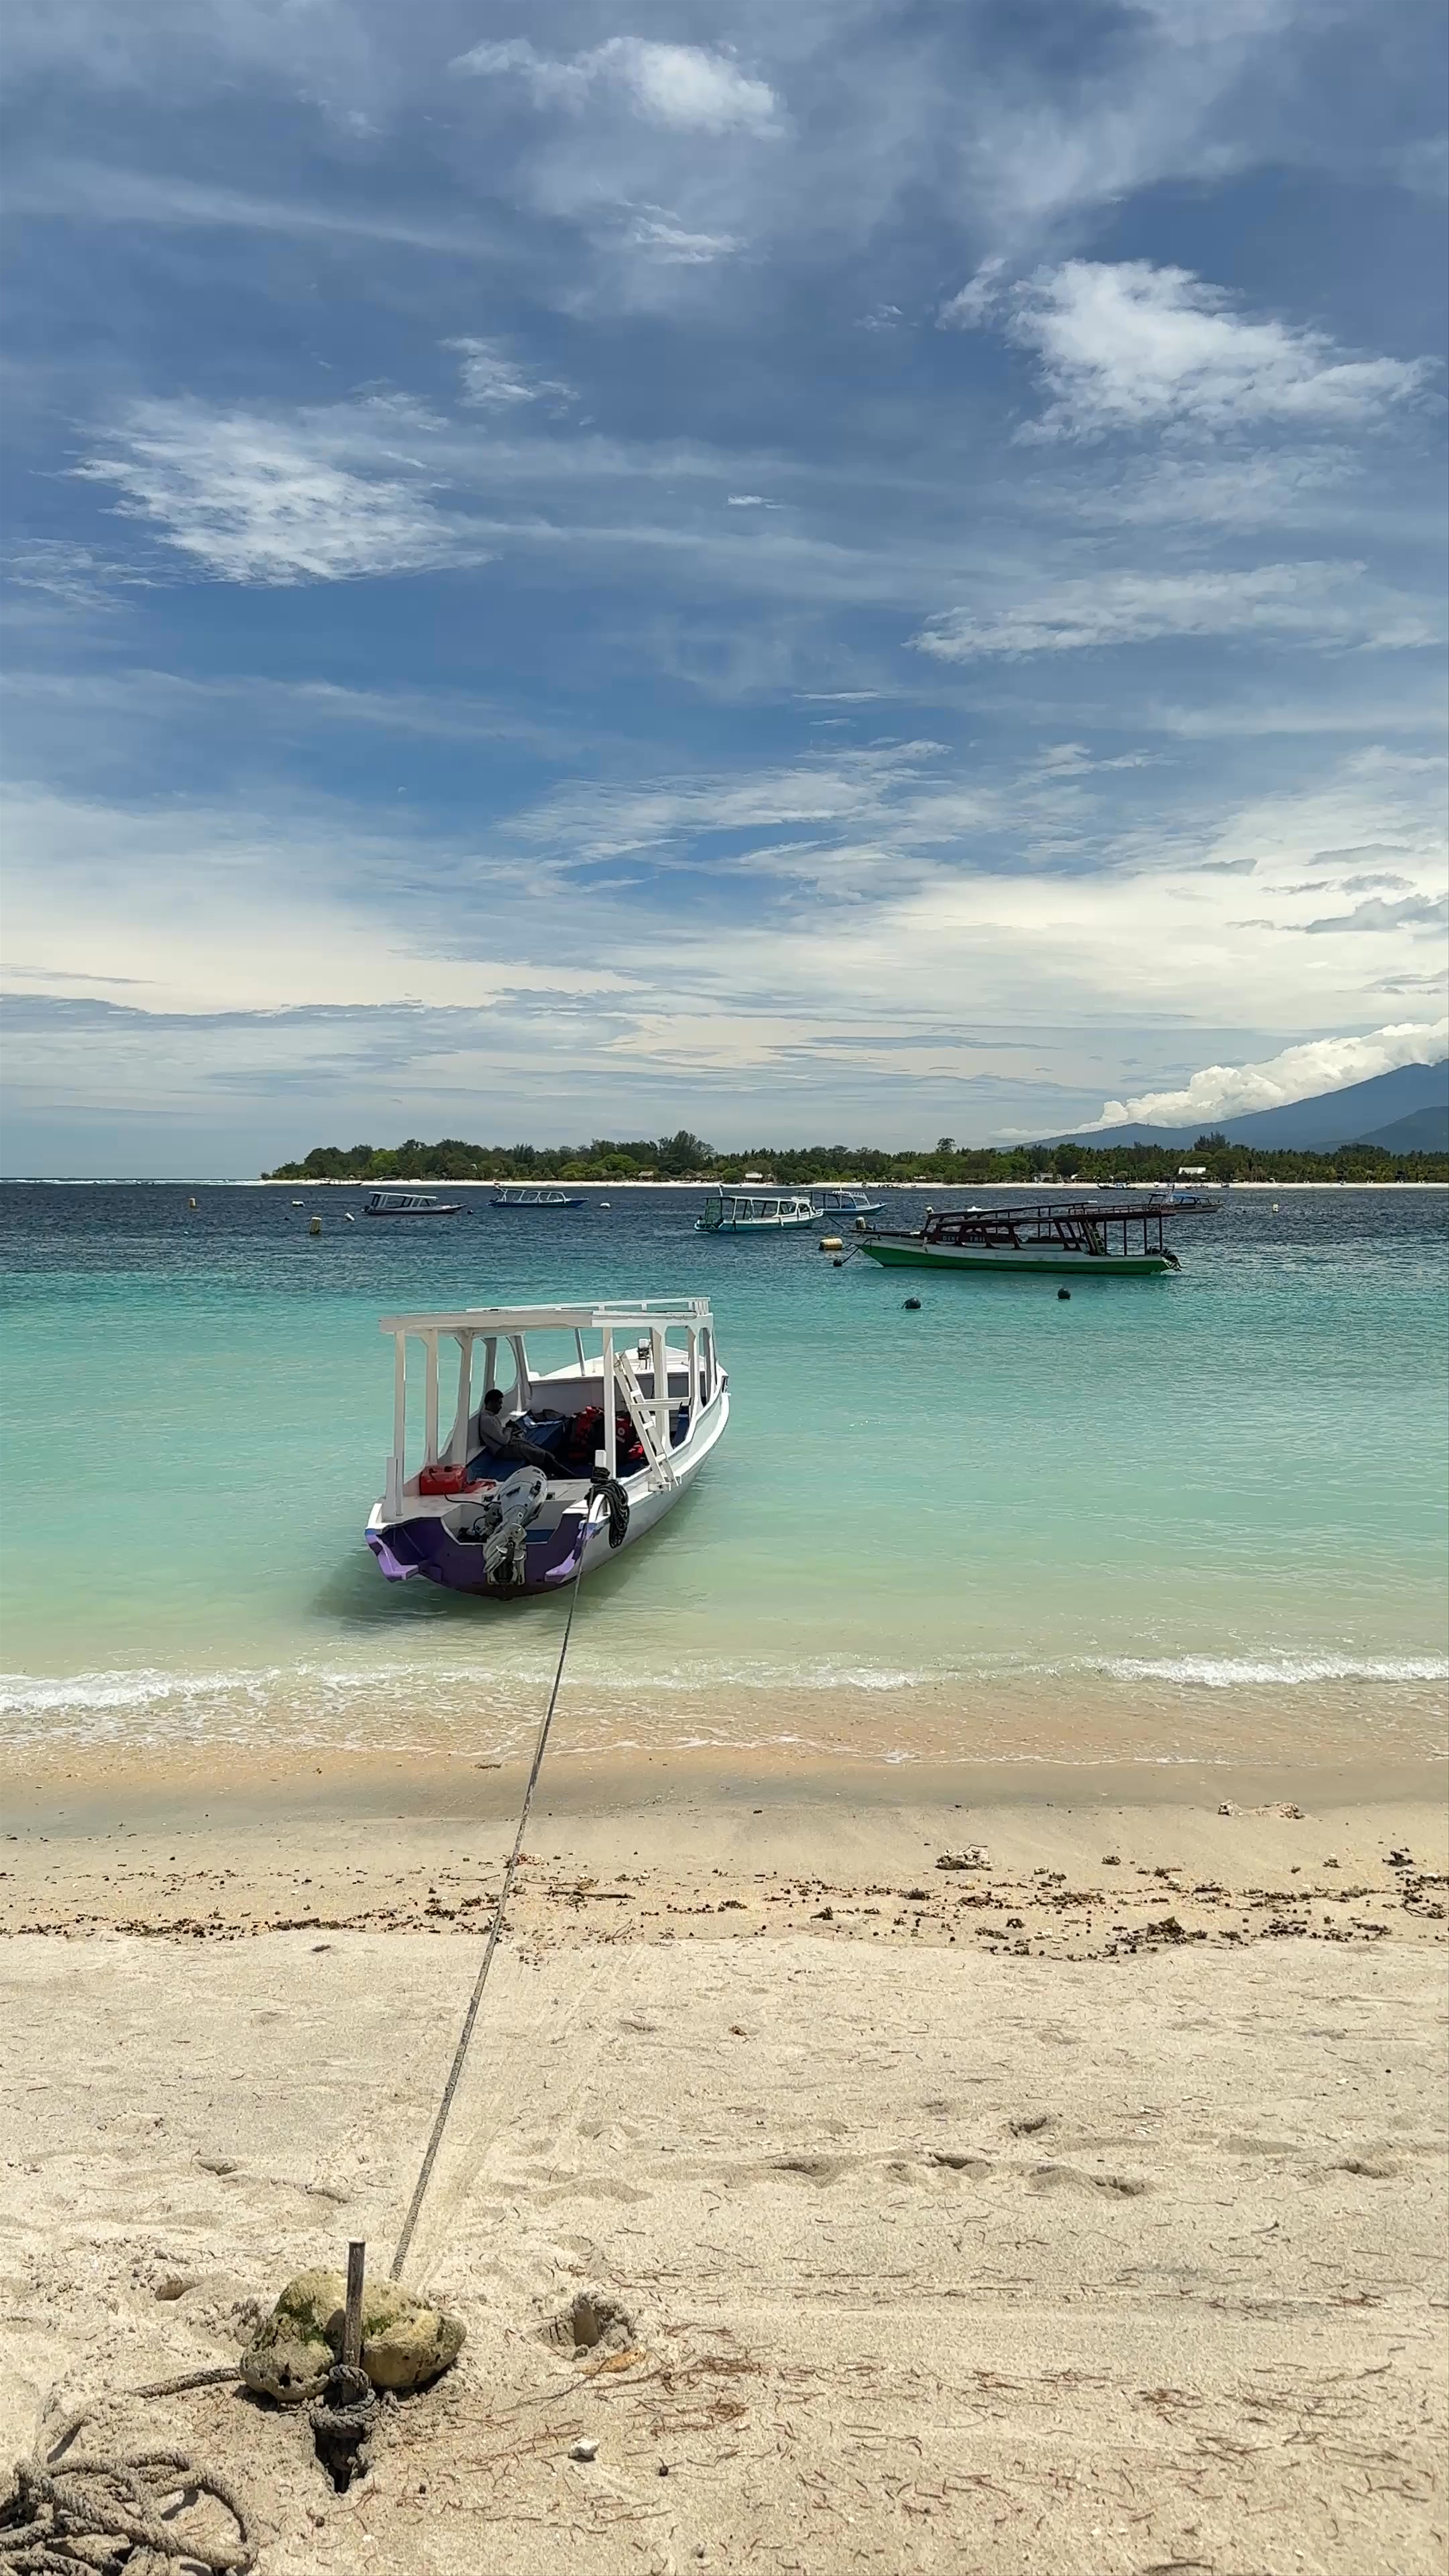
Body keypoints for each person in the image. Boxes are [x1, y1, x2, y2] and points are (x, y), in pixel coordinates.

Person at [472, 1386, 558, 1475]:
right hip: (502, 1450)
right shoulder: (487, 1420)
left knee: (541, 1452)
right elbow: (504, 1440)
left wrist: (511, 1430)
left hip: (509, 1445)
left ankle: (553, 1467)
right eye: (499, 1404)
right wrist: (510, 1428)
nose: (501, 1407)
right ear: (491, 1403)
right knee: (537, 1454)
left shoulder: (491, 1417)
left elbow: (500, 1435)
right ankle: (559, 1472)